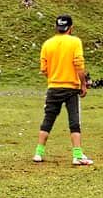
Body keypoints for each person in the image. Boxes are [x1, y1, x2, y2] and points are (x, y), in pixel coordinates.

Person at [34, 15, 93, 166]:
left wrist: (54, 77)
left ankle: (39, 153)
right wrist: (83, 84)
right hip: (71, 88)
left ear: (57, 27)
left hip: (53, 87)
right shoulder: (75, 42)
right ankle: (77, 155)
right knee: (74, 121)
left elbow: (44, 69)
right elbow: (79, 65)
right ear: (71, 28)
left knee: (48, 120)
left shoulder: (47, 44)